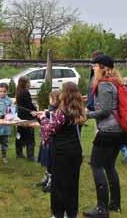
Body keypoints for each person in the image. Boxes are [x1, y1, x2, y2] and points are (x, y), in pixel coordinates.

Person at [84, 55, 127, 218]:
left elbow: (105, 111)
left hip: (109, 132)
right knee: (109, 166)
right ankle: (115, 203)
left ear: (103, 67)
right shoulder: (114, 82)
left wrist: (86, 115)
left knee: (96, 166)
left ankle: (102, 208)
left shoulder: (104, 85)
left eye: (95, 66)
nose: (93, 69)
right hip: (117, 131)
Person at [37, 82, 85, 218]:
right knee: (72, 185)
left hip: (62, 152)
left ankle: (58, 214)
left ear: (65, 94)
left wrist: (42, 118)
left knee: (58, 185)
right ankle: (71, 214)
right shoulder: (79, 109)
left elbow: (50, 129)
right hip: (75, 152)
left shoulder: (62, 111)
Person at [37, 90, 60, 192]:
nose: (50, 101)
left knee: (51, 162)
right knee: (46, 161)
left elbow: (51, 125)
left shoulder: (58, 111)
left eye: (52, 99)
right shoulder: (50, 110)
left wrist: (44, 117)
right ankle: (46, 177)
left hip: (52, 141)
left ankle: (52, 181)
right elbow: (43, 122)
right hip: (45, 140)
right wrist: (38, 116)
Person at [15, 77, 37, 161]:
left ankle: (19, 154)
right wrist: (35, 110)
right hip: (27, 116)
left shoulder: (18, 91)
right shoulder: (25, 92)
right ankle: (30, 156)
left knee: (20, 135)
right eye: (29, 82)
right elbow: (29, 105)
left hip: (20, 116)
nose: (30, 84)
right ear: (25, 83)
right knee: (30, 137)